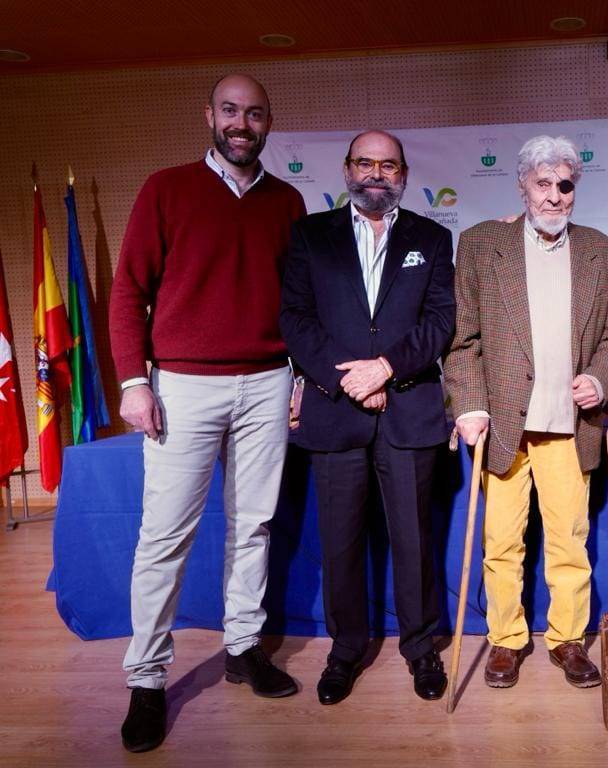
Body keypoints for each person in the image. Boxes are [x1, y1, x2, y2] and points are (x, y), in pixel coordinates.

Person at [109, 74, 306, 753]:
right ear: (209, 117)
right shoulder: (166, 189)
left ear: (269, 121)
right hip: (181, 388)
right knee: (164, 536)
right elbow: (128, 290)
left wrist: (300, 375)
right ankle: (145, 680)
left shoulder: (288, 202)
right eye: (230, 111)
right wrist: (135, 382)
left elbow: (298, 304)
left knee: (252, 526)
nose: (241, 123)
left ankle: (243, 647)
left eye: (254, 112)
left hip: (266, 381)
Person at [444, 135, 608, 689]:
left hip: (569, 428)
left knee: (569, 540)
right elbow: (462, 340)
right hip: (502, 425)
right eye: (542, 183)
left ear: (576, 189)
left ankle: (567, 639)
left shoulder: (600, 249)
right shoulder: (480, 244)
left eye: (564, 185)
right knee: (501, 542)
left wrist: (599, 377)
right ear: (522, 184)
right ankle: (505, 641)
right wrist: (469, 404)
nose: (553, 196)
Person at [279, 130, 454, 705]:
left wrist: (384, 370)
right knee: (341, 543)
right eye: (365, 163)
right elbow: (296, 321)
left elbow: (439, 323)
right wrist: (347, 380)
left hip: (409, 411)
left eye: (388, 164)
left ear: (403, 172)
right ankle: (345, 649)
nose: (376, 173)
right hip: (335, 414)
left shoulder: (431, 238)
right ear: (347, 169)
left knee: (414, 540)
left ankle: (421, 648)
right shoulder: (310, 235)